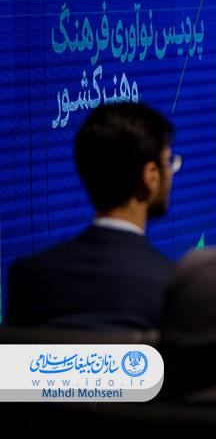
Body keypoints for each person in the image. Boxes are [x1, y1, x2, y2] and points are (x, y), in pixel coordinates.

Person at [7, 103, 177, 330]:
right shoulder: (174, 287)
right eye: (168, 162)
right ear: (151, 177)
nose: (171, 172)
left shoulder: (27, 277)